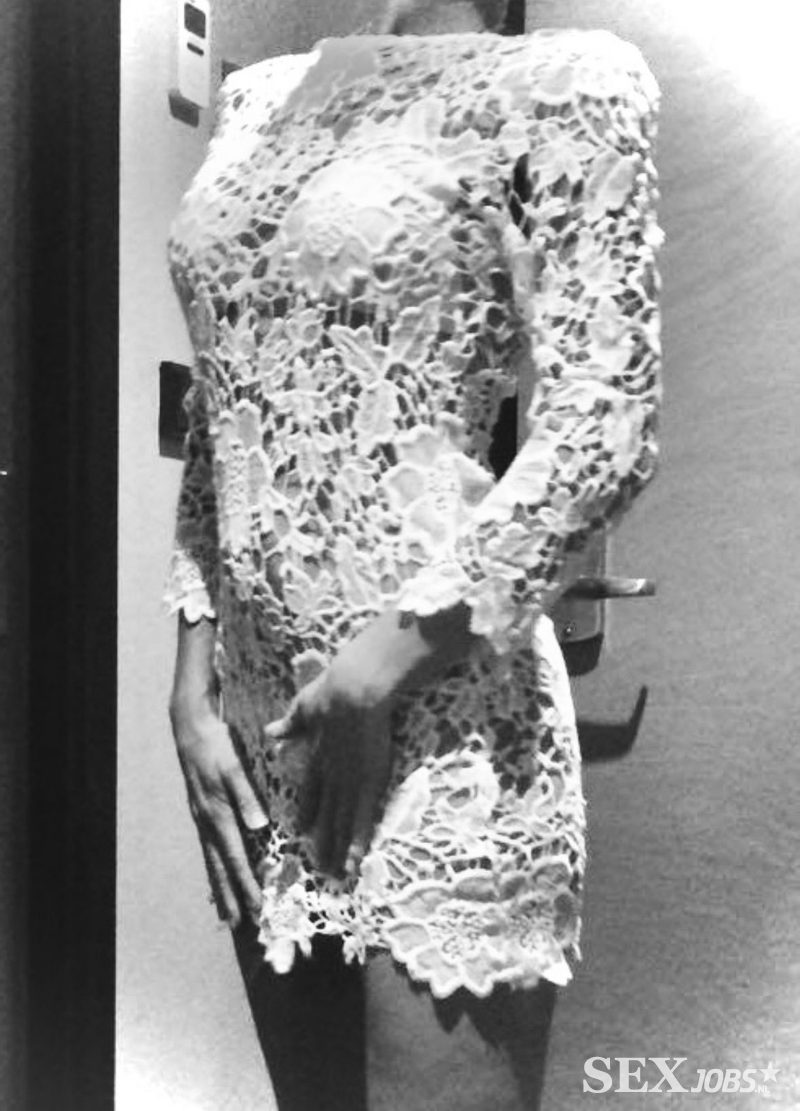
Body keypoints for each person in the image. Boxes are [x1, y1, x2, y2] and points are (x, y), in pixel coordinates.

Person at [165, 1, 662, 1107]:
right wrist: (191, 686)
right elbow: (218, 414)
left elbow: (605, 425)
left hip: (447, 731)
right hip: (261, 738)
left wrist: (369, 673)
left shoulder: (562, 83)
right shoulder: (253, 101)